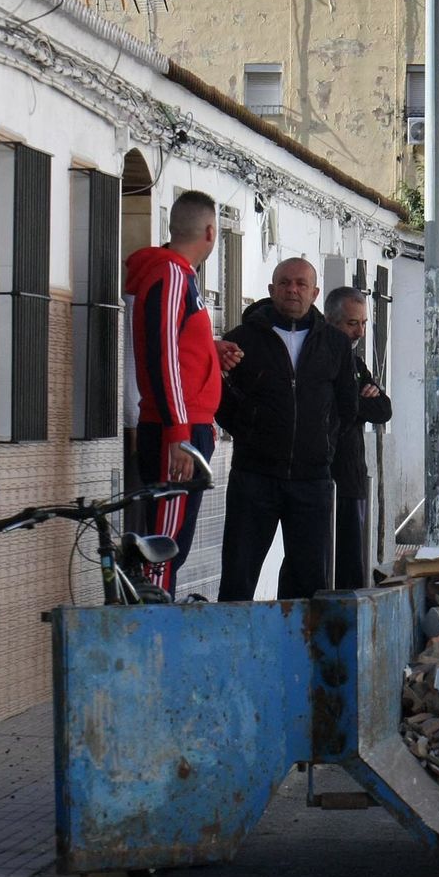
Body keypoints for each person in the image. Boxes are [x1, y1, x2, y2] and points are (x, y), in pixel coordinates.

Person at [215, 258, 358, 601]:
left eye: (300, 284)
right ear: (271, 290)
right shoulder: (241, 340)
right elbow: (221, 403)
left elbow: (347, 407)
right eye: (284, 283)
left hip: (312, 482)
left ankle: (299, 651)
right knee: (238, 576)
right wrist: (250, 434)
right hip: (254, 477)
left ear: (314, 292)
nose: (292, 290)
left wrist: (322, 445)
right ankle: (233, 650)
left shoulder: (335, 345)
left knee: (308, 582)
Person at [125, 190, 222, 596]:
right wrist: (179, 434)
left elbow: (177, 350)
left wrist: (213, 353)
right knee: (163, 550)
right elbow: (162, 356)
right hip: (176, 434)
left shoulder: (180, 276)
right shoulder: (170, 275)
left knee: (171, 546)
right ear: (211, 232)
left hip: (187, 427)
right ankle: (154, 630)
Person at [326, 285, 393, 590]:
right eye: (352, 324)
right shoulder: (319, 360)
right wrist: (357, 399)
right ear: (331, 321)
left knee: (353, 565)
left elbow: (382, 408)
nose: (360, 332)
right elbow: (338, 408)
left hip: (353, 480)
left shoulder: (356, 364)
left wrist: (359, 399)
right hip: (324, 482)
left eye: (364, 323)